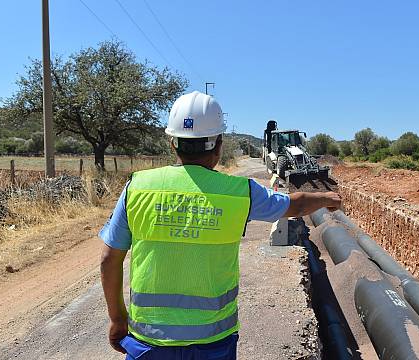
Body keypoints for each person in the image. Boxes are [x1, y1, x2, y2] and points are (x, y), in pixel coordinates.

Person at [99, 91, 342, 360]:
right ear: (218, 145)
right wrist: (326, 198)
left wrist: (117, 318)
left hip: (149, 342)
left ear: (172, 143)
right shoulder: (240, 192)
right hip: (213, 342)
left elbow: (110, 259)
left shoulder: (138, 187)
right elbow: (294, 206)